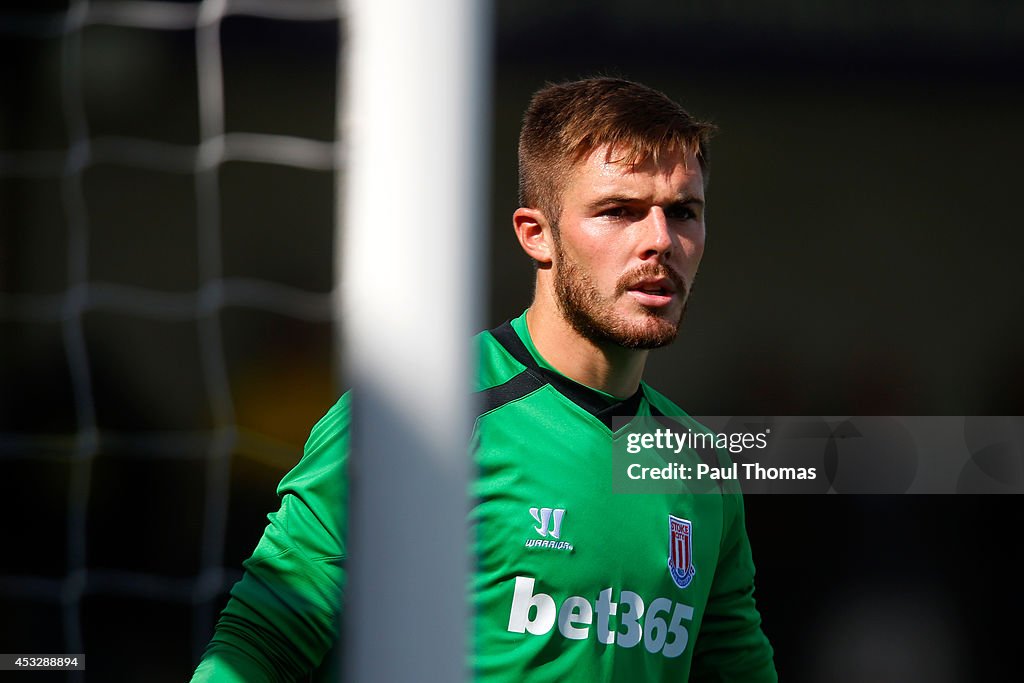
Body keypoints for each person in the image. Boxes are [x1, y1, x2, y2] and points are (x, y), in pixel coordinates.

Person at [191, 76, 777, 682]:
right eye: (618, 211)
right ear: (536, 234)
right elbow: (262, 641)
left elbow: (736, 665)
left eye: (683, 212)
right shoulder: (422, 416)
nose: (660, 241)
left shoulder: (701, 468)